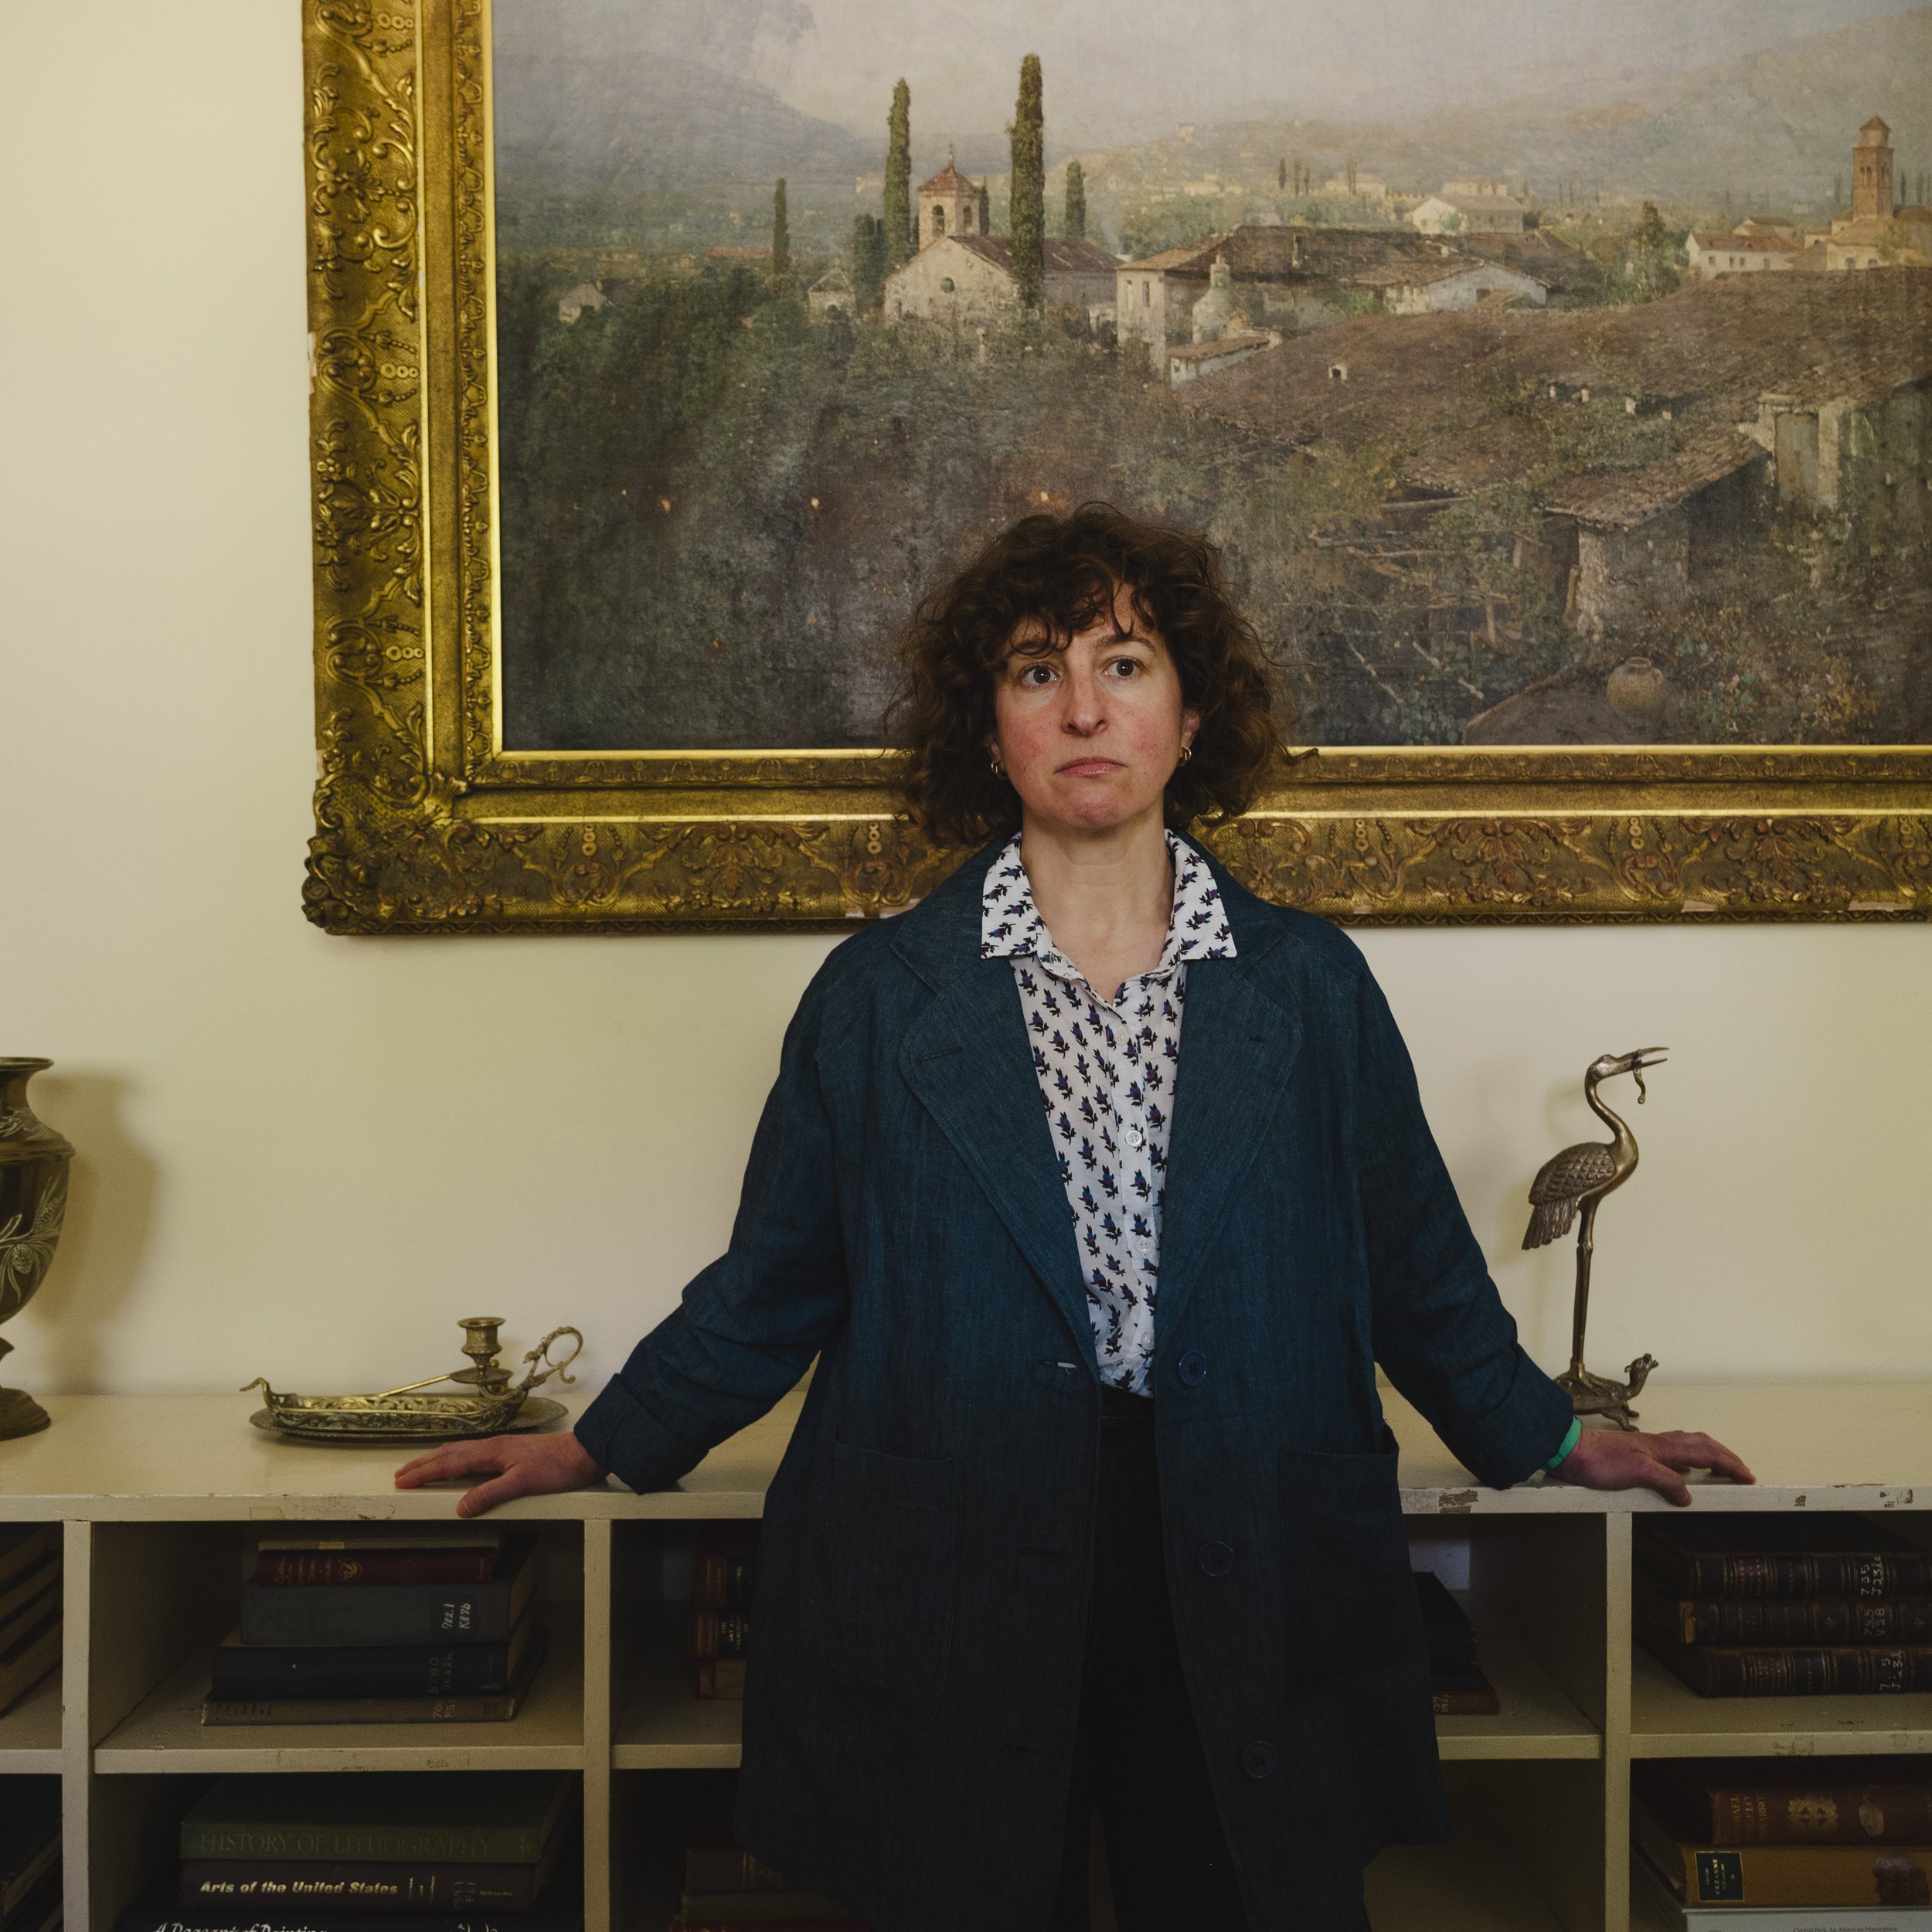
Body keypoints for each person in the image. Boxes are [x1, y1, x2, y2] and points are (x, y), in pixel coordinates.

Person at [396, 504, 1753, 1931]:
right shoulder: (879, 998)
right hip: (955, 1548)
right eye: (1038, 672)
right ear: (988, 733)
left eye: (1127, 663)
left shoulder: (1309, 988)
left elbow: (1412, 1265)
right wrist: (599, 1439)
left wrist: (1554, 1434)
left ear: (1190, 712)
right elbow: (775, 1280)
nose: (1087, 707)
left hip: (1245, 1527)